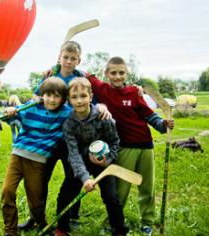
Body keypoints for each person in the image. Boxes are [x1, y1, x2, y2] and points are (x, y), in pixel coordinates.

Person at [19, 40, 112, 231]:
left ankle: (73, 216)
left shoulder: (81, 77)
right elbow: (38, 97)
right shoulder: (50, 76)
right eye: (65, 57)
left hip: (73, 138)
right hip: (50, 137)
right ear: (59, 57)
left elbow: (96, 97)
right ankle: (36, 217)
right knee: (41, 178)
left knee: (74, 176)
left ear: (78, 60)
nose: (68, 61)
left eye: (73, 58)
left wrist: (103, 105)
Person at [87, 57, 174, 236]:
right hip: (124, 147)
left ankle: (147, 222)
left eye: (121, 73)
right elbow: (78, 71)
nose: (117, 76)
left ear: (127, 73)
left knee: (147, 187)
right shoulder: (101, 89)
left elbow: (149, 115)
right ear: (106, 74)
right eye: (113, 73)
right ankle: (113, 222)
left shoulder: (134, 92)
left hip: (146, 146)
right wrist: (53, 70)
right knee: (121, 188)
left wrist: (163, 124)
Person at [55, 78, 128, 236]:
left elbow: (115, 142)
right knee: (65, 194)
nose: (79, 101)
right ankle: (61, 229)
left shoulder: (105, 118)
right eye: (74, 97)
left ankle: (120, 230)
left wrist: (107, 160)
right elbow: (73, 154)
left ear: (91, 96)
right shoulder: (68, 124)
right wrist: (85, 178)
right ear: (69, 100)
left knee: (111, 197)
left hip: (103, 164)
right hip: (80, 162)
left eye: (83, 96)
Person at [1, 77, 71, 236]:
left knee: (36, 199)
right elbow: (5, 116)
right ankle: (10, 230)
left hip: (38, 161)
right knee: (7, 191)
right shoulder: (31, 107)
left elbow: (84, 111)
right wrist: (8, 112)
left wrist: (101, 107)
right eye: (48, 95)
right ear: (42, 95)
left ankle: (41, 224)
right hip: (17, 157)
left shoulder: (66, 113)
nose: (52, 100)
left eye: (57, 96)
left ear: (63, 98)